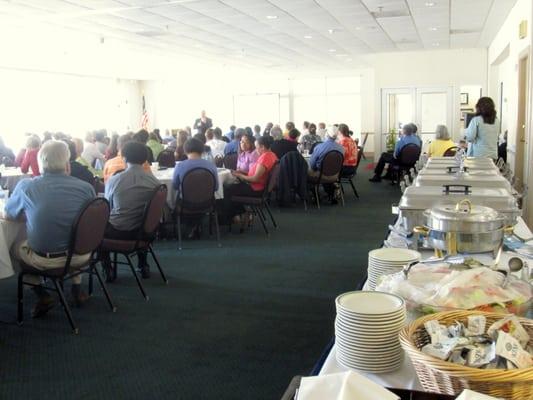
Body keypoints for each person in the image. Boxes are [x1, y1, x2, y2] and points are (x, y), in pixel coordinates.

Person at [5, 140, 95, 317]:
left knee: (13, 247)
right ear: (67, 163)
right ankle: (77, 288)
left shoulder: (27, 187)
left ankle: (41, 293)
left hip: (46, 260)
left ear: (40, 163)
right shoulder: (86, 188)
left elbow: (10, 215)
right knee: (75, 235)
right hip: (83, 255)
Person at [102, 141, 161, 280]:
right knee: (142, 218)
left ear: (124, 158)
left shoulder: (114, 180)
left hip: (119, 231)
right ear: (145, 159)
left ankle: (107, 268)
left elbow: (107, 207)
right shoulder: (155, 183)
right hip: (145, 233)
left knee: (97, 228)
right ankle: (143, 264)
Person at [224, 136, 278, 223]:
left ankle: (234, 215)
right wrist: (241, 172)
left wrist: (241, 176)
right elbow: (255, 174)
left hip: (255, 189)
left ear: (262, 147)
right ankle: (239, 213)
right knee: (231, 188)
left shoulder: (264, 158)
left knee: (226, 189)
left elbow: (255, 179)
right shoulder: (272, 155)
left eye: (257, 148)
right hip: (258, 187)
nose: (256, 150)